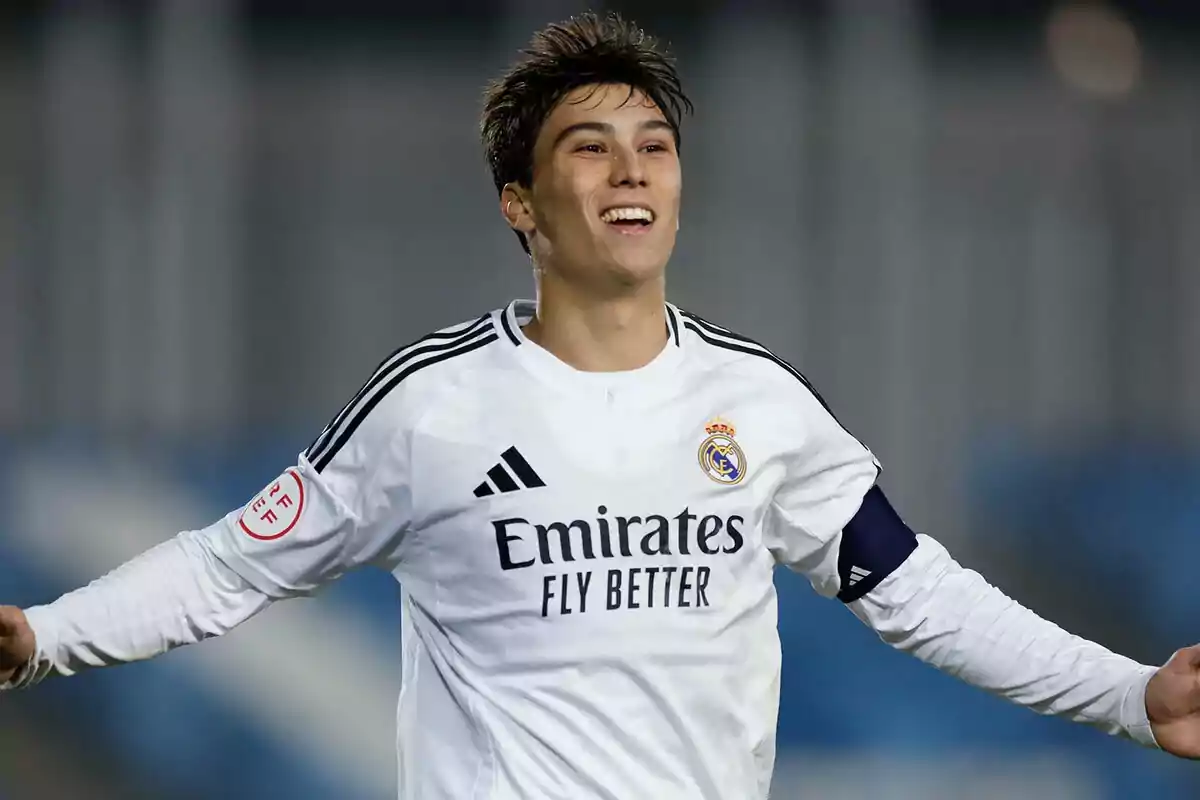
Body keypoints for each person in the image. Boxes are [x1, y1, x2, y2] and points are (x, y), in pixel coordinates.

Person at [2, 11, 1199, 800]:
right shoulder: (432, 406)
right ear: (520, 202)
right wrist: (46, 638)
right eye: (588, 147)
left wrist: (1129, 694)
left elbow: (918, 592)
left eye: (655, 144)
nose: (631, 169)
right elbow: (228, 564)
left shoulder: (761, 404)